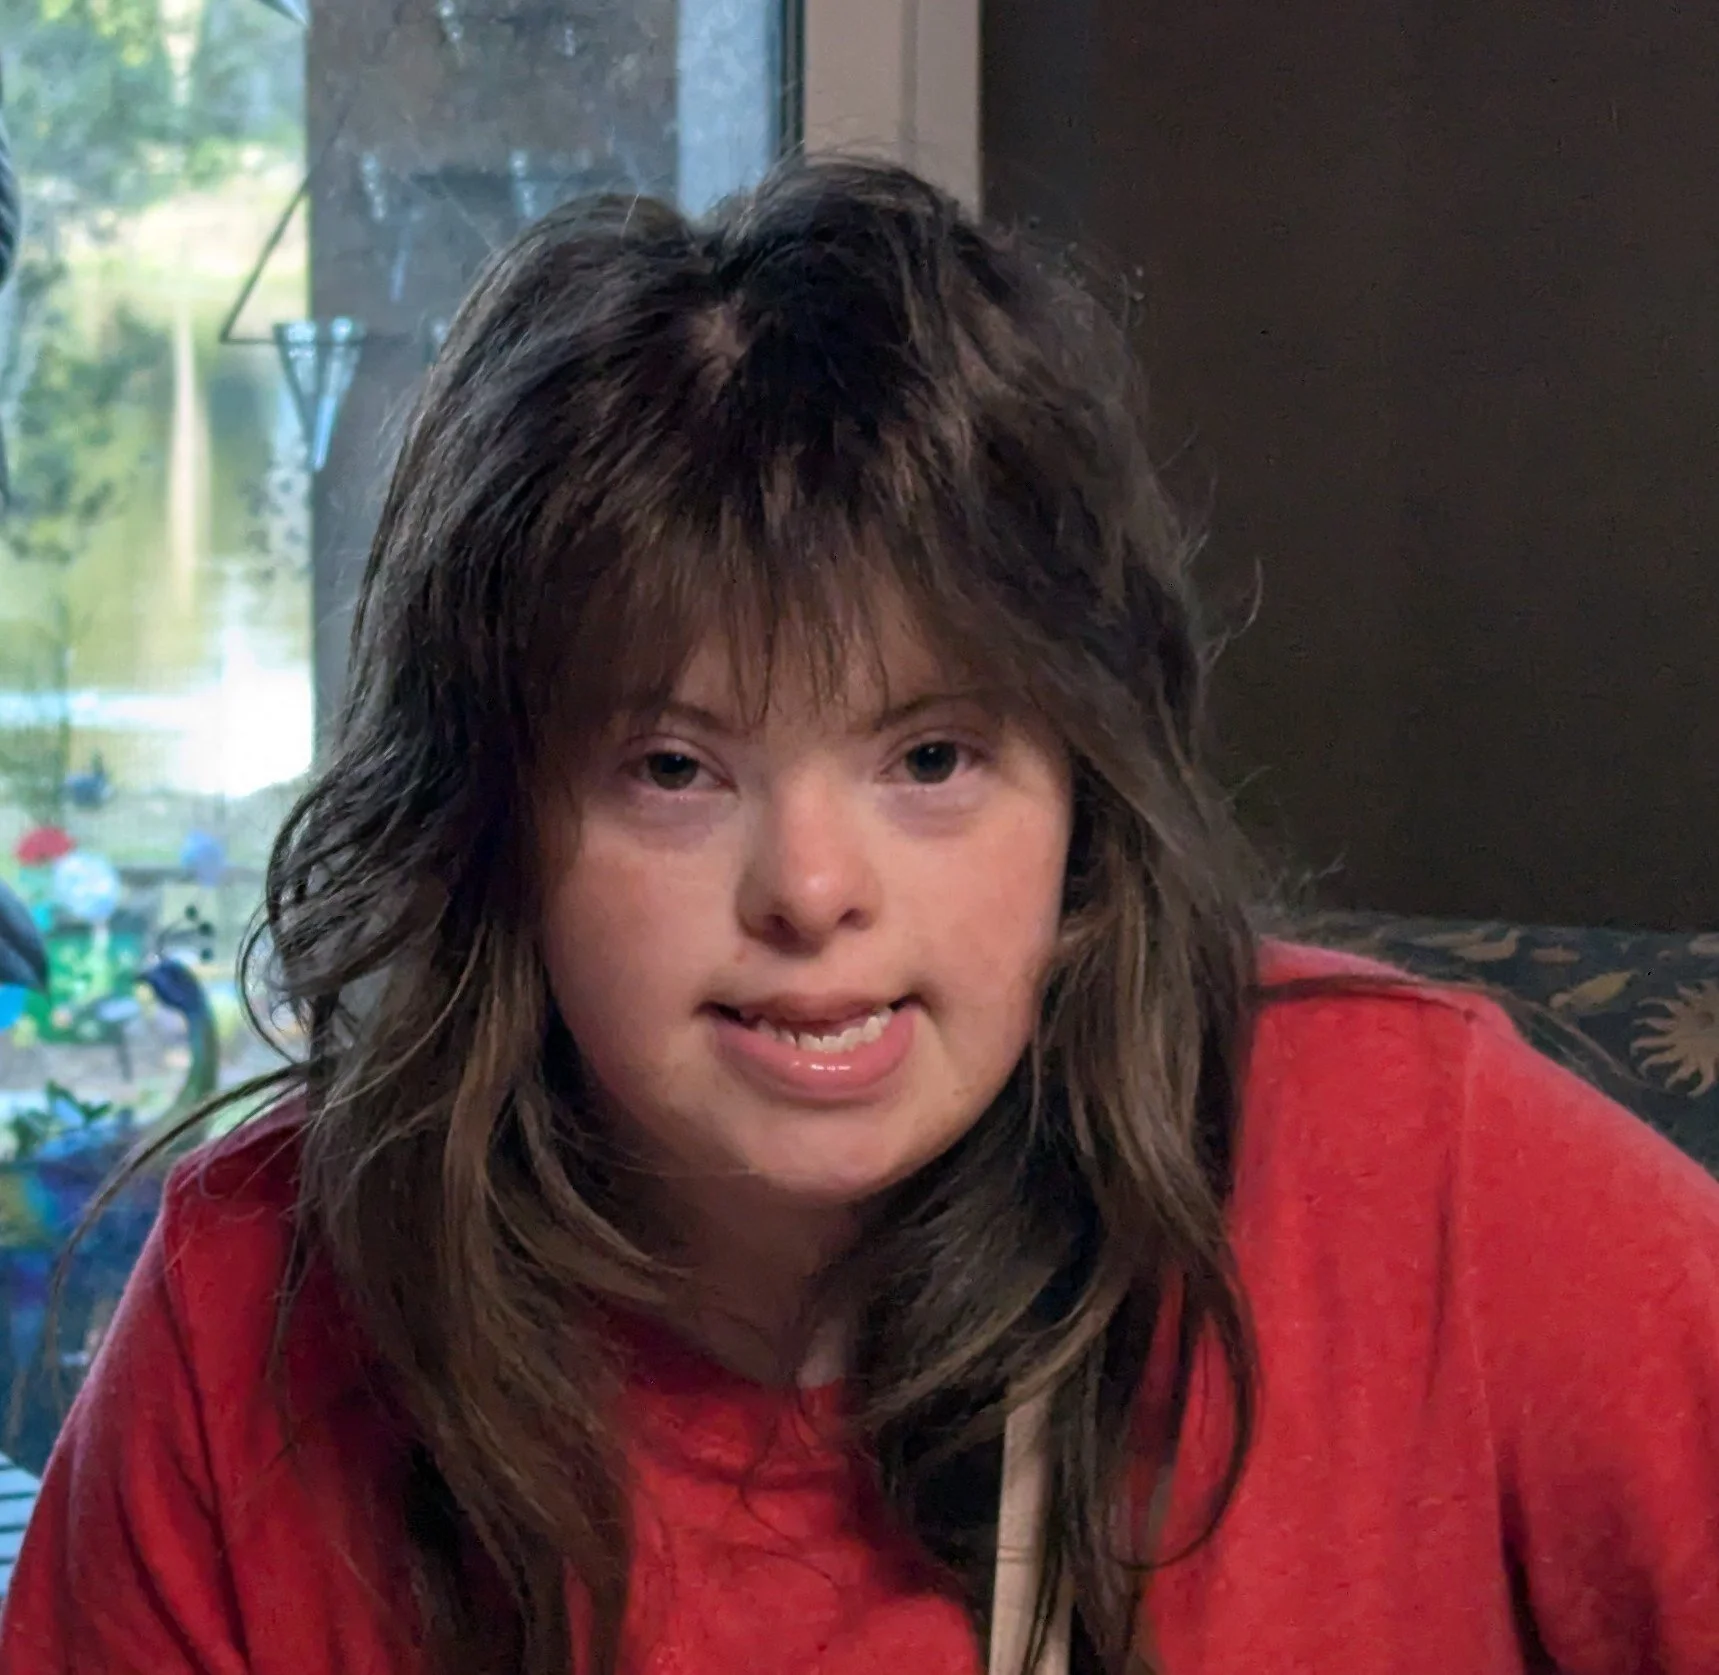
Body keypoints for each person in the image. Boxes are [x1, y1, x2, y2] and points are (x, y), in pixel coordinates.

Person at [2, 158, 1717, 1675]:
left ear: (1084, 795)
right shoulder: (254, 1301)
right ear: (495, 822)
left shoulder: (1426, 1167)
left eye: (932, 757)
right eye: (673, 768)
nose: (812, 891)